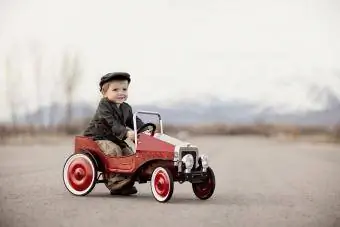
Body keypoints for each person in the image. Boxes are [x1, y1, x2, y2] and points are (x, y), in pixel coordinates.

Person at [83, 72, 144, 195]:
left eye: (124, 89)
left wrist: (144, 129)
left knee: (129, 153)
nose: (121, 92)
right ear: (104, 93)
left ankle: (126, 181)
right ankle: (114, 181)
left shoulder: (126, 107)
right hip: (98, 136)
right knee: (114, 150)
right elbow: (112, 123)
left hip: (113, 137)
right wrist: (126, 133)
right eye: (115, 89)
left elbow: (133, 121)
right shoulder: (104, 105)